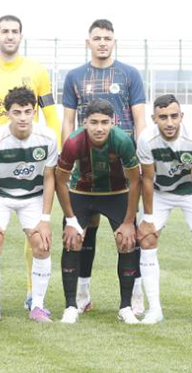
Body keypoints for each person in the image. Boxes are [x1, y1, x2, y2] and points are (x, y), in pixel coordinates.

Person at [0, 14, 62, 315]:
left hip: (31, 160)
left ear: (21, 36)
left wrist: (56, 145)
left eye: (15, 31)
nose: (10, 35)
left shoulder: (37, 71)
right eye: (5, 31)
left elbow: (50, 112)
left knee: (35, 236)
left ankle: (34, 295)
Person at [61, 18, 147, 315]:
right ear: (88, 42)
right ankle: (82, 292)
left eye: (107, 38)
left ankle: (135, 294)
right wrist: (69, 154)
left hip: (120, 166)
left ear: (114, 41)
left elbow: (139, 118)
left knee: (129, 232)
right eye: (97, 38)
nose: (102, 43)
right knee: (86, 230)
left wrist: (140, 156)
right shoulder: (74, 76)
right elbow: (68, 121)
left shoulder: (129, 74)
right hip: (85, 166)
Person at [55, 99, 143, 324]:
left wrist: (129, 222)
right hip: (82, 192)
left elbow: (135, 181)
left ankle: (126, 307)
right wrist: (71, 220)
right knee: (72, 240)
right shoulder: (73, 142)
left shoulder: (123, 141)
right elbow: (60, 181)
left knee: (127, 241)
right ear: (84, 122)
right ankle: (71, 305)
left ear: (113, 122)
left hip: (116, 193)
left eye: (105, 122)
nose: (99, 128)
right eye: (94, 122)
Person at [0, 86, 58, 324]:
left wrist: (45, 219)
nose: (23, 117)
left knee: (42, 244)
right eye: (17, 112)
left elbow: (49, 177)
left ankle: (38, 306)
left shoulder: (48, 138)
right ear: (7, 113)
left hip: (32, 196)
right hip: (0, 195)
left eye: (27, 111)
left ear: (34, 112)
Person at [135, 95, 192, 326]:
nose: (169, 122)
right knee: (147, 239)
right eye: (163, 117)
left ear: (181, 116)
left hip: (189, 192)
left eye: (174, 116)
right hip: (160, 192)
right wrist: (147, 218)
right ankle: (154, 310)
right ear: (154, 119)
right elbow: (147, 179)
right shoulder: (146, 139)